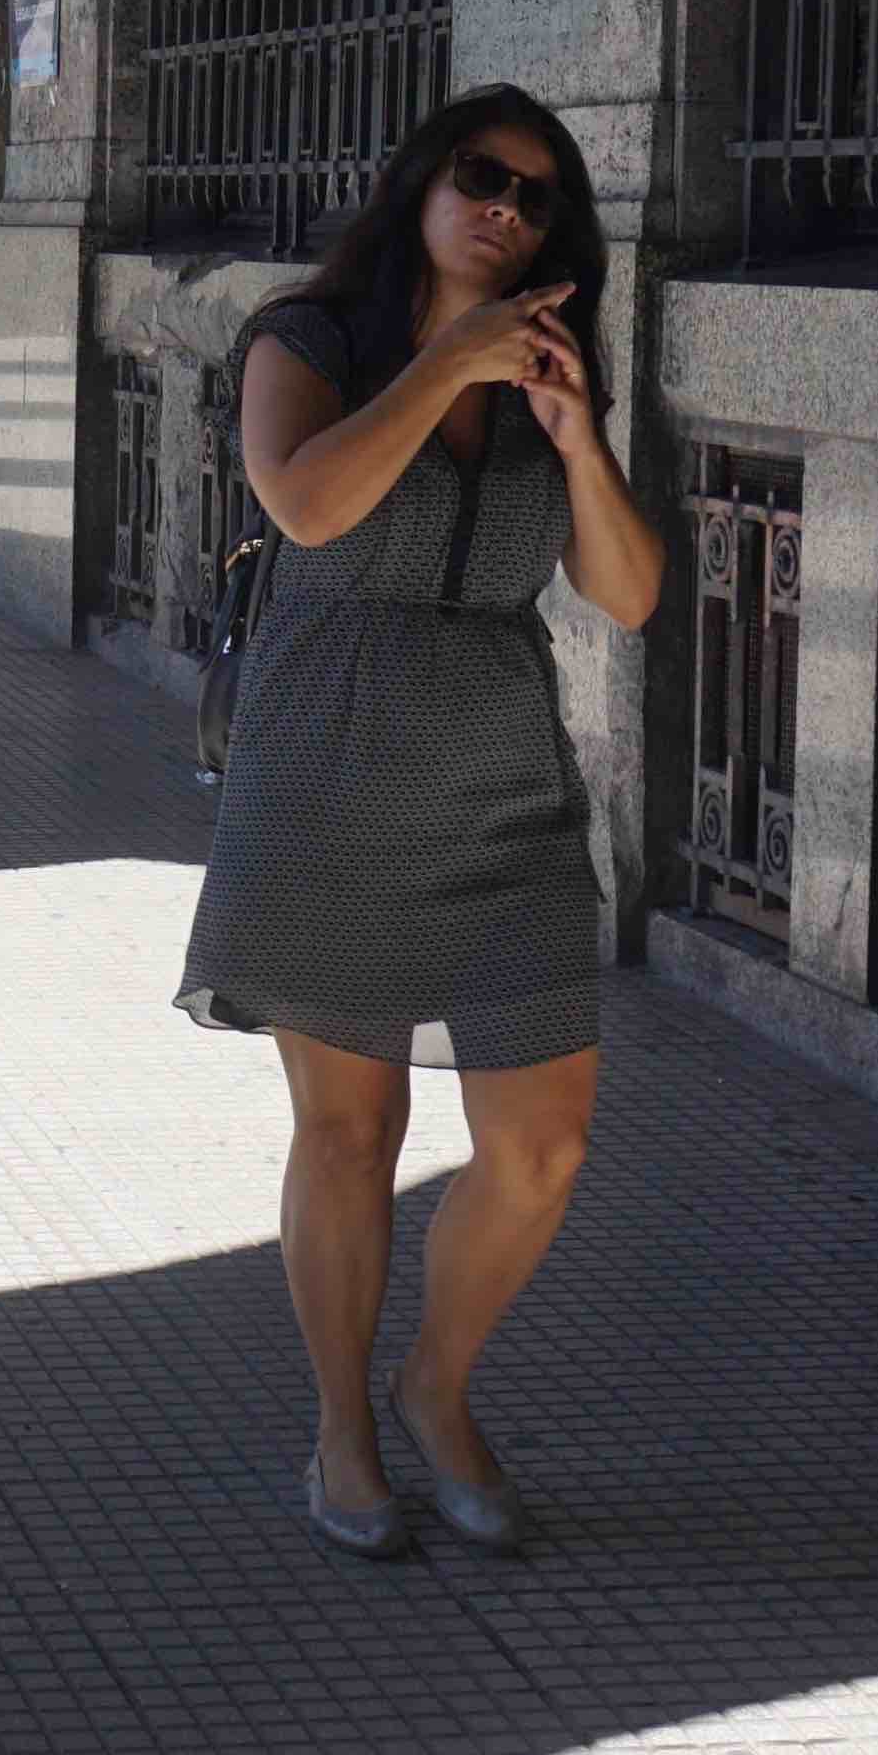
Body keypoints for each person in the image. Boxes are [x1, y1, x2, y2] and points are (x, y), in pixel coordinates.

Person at [176, 82, 666, 1562]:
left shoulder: (550, 371)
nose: (506, 204)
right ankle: (343, 1427)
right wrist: (447, 356)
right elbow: (308, 504)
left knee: (542, 1144)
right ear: (421, 183)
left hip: (500, 775)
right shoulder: (307, 340)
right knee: (351, 1129)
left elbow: (628, 592)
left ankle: (435, 1384)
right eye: (481, 174)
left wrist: (577, 438)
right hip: (324, 764)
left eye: (537, 195)